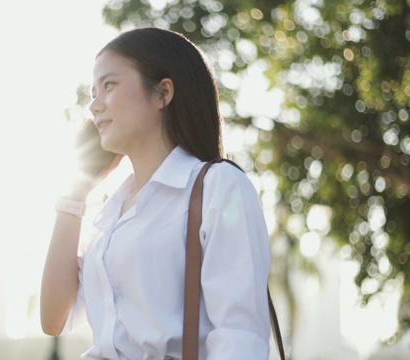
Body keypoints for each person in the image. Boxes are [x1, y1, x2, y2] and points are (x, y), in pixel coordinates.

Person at [40, 27, 272, 359]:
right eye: (93, 92)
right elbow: (54, 319)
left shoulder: (217, 187)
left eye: (109, 85)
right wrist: (76, 191)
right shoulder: (110, 217)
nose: (94, 105)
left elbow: (240, 337)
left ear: (163, 93)